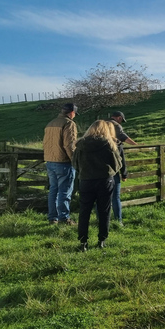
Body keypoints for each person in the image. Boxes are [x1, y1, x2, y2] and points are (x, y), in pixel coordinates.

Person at [72, 120, 122, 252]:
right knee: (104, 211)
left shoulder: (80, 145)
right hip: (104, 180)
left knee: (84, 211)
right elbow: (117, 164)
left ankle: (83, 241)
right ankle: (102, 240)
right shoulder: (109, 144)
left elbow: (75, 164)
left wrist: (84, 172)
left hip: (86, 181)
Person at [43, 103, 78, 225]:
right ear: (72, 112)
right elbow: (70, 145)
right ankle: (64, 218)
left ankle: (53, 218)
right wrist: (75, 160)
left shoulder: (50, 123)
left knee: (53, 190)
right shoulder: (69, 123)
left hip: (50, 161)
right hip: (63, 162)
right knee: (65, 191)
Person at [107, 111, 137, 226]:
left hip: (97, 168)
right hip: (113, 168)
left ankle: (101, 220)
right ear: (119, 118)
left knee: (101, 196)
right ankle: (118, 221)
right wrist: (136, 145)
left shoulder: (100, 124)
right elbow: (123, 137)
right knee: (115, 196)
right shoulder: (116, 126)